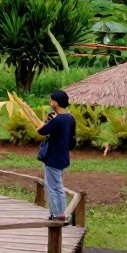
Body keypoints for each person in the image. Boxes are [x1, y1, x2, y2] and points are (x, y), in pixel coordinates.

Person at [31, 90, 76, 221]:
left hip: (53, 158)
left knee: (53, 187)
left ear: (56, 102)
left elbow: (42, 131)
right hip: (63, 155)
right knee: (57, 185)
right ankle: (59, 213)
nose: (50, 103)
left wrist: (44, 122)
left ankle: (57, 214)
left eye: (51, 100)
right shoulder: (70, 118)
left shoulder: (58, 120)